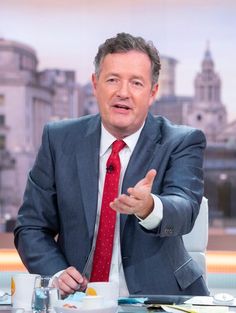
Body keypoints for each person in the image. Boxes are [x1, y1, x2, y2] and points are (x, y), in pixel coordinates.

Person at [14, 32, 209, 297]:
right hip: (78, 301)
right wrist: (57, 273)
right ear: (95, 84)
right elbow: (31, 226)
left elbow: (185, 208)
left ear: (152, 93)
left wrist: (150, 206)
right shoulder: (58, 139)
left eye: (136, 83)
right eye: (112, 80)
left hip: (160, 298)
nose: (123, 93)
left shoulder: (181, 141)